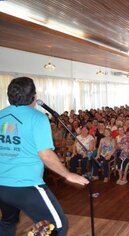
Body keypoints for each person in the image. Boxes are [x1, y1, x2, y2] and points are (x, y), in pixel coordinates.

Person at [0, 77, 89, 236]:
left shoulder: (1, 115)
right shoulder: (37, 118)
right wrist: (68, 174)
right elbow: (46, 155)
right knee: (58, 226)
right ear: (34, 96)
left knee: (8, 222)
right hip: (27, 185)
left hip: (2, 186)